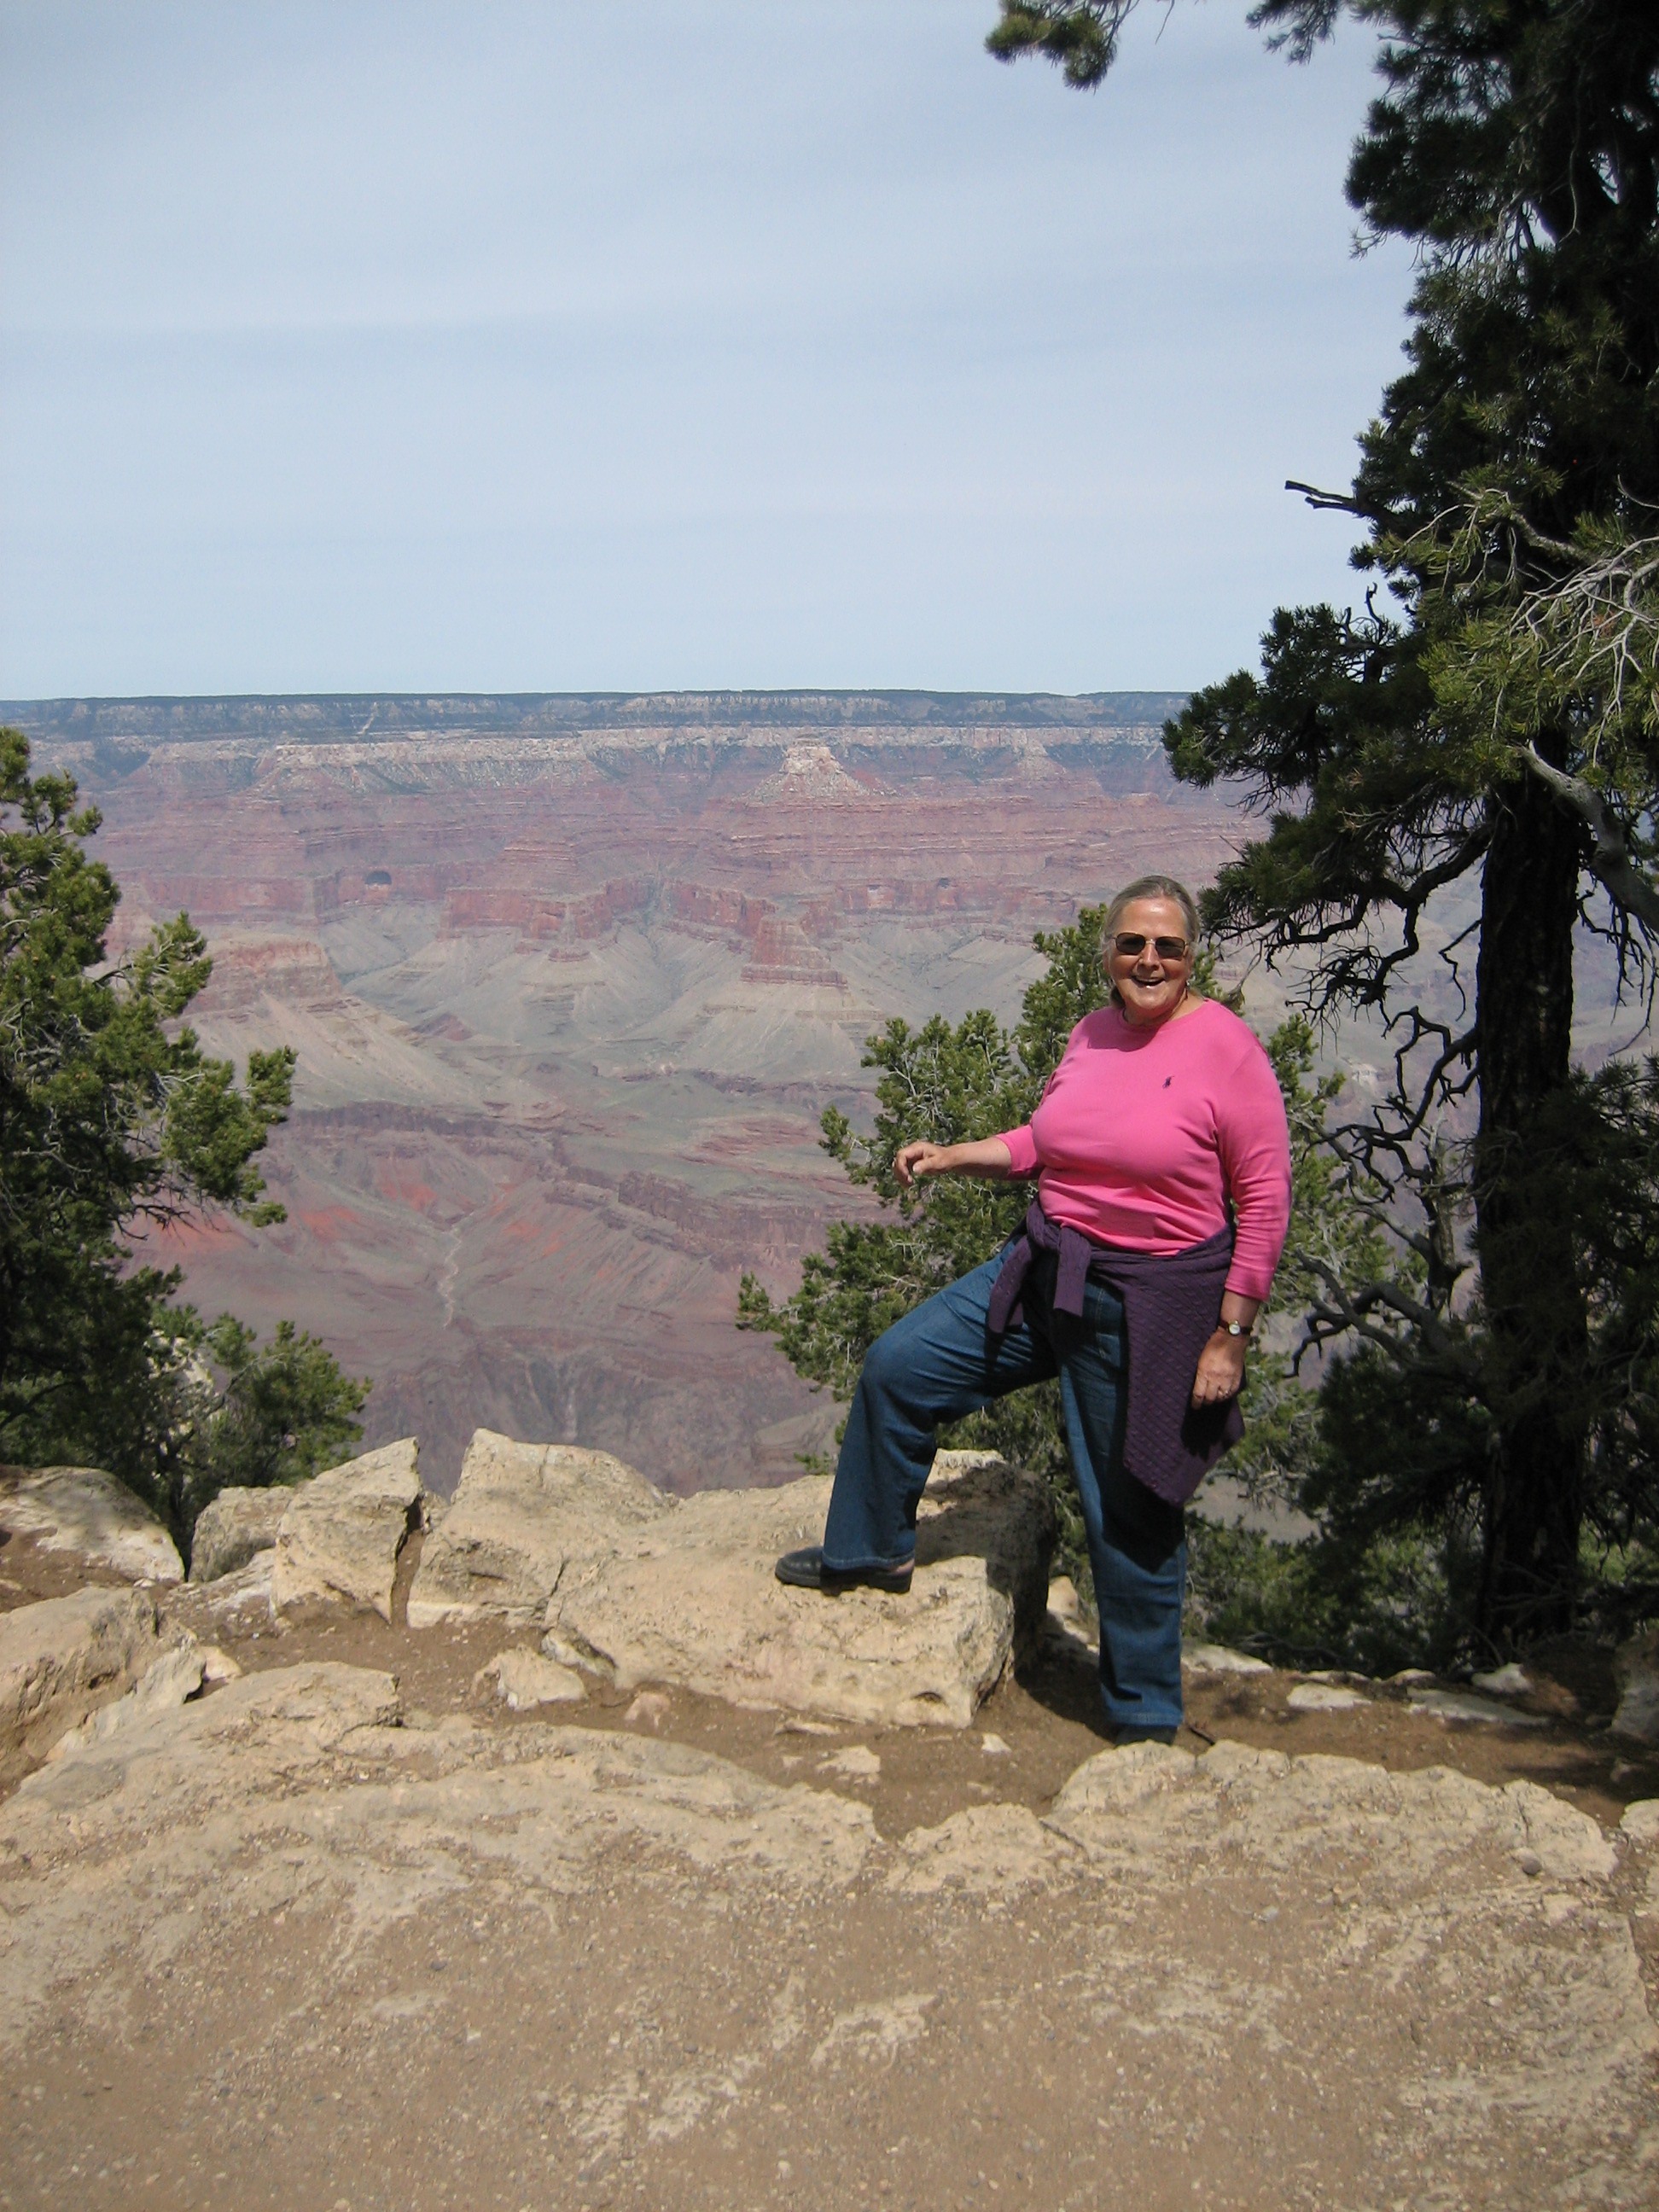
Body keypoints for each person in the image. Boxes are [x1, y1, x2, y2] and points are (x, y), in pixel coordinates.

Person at [775, 874, 1292, 1743]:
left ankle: (1144, 1717)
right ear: (1108, 953)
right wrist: (953, 1156)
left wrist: (1230, 1334)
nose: (1149, 960)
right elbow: (1044, 1142)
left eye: (1167, 946)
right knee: (901, 1368)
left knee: (1130, 1506)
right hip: (1048, 1269)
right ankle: (870, 1553)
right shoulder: (1091, 1034)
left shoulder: (1226, 1049)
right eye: (1132, 943)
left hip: (1146, 1303)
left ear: (1192, 956)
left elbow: (1267, 1201)